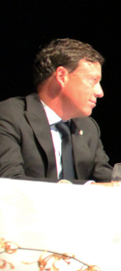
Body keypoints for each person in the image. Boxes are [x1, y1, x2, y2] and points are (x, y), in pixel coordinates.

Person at [0, 38, 112, 183]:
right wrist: (87, 188)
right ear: (61, 76)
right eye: (93, 80)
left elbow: (107, 180)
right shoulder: (9, 116)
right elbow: (9, 181)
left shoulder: (88, 127)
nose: (100, 92)